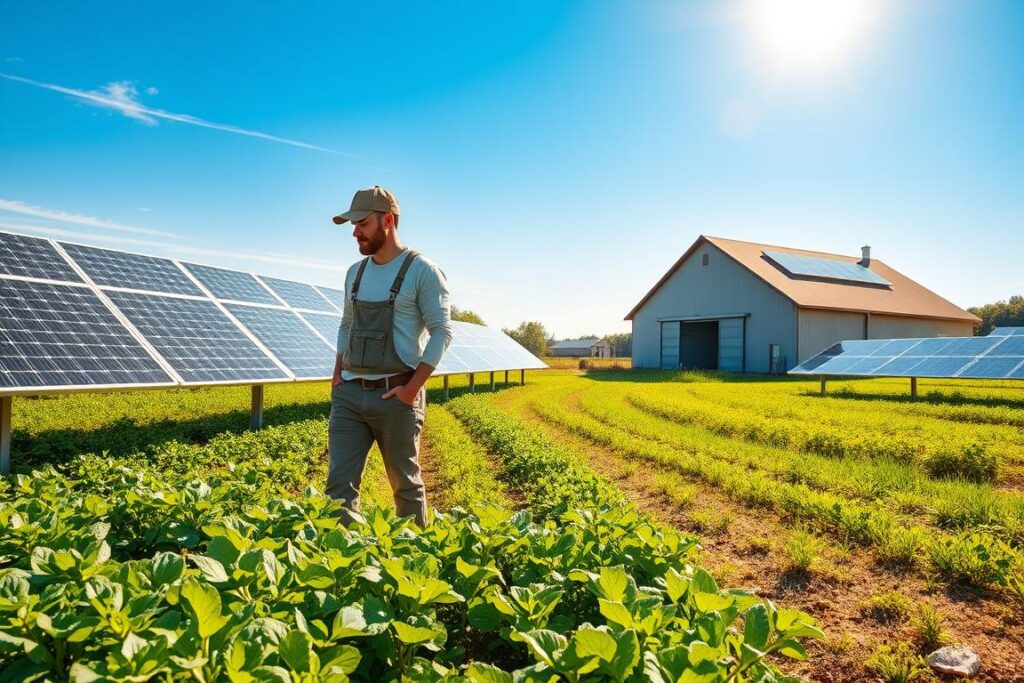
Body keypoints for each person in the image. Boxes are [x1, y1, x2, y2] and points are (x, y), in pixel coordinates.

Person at [326, 186, 452, 527]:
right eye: (353, 225)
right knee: (338, 489)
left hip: (396, 396)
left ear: (388, 220)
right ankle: (344, 566)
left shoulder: (422, 271)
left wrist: (412, 389)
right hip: (349, 395)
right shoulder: (355, 272)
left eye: (362, 223)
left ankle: (412, 563)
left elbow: (443, 331)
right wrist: (338, 373)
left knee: (405, 487)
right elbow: (346, 324)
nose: (355, 232)